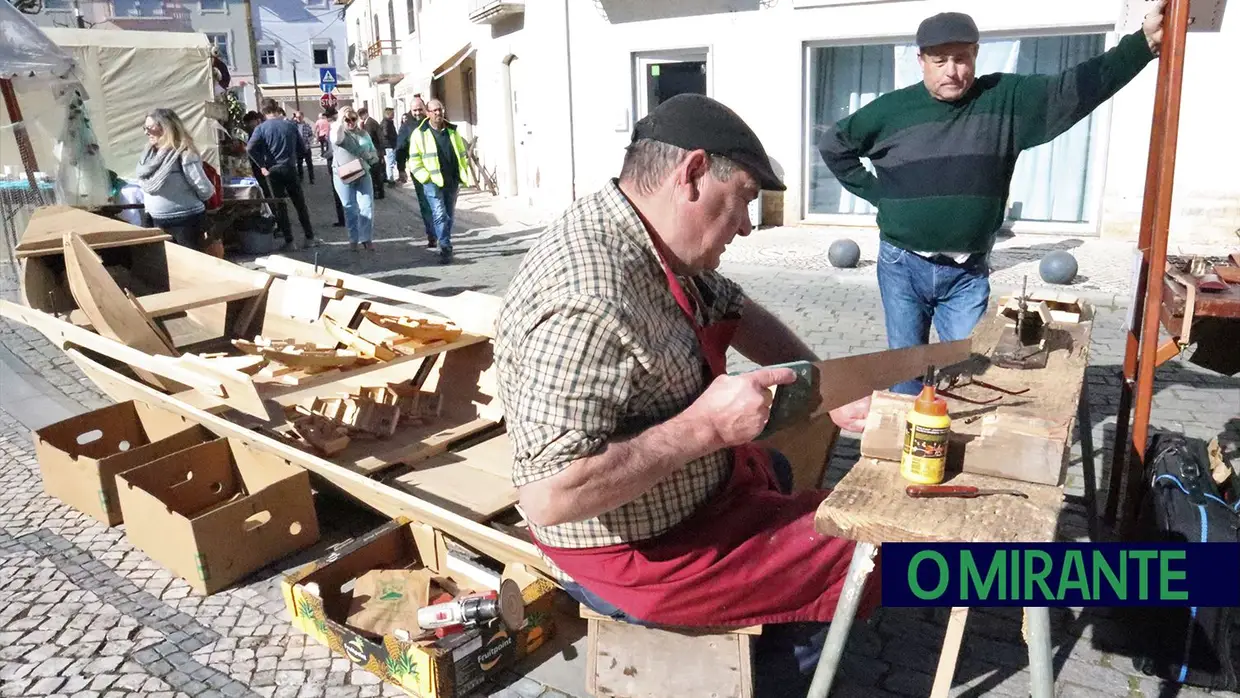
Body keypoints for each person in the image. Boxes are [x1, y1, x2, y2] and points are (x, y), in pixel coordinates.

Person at [492, 94, 878, 697]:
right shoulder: (587, 298)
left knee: (778, 468)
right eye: (745, 200)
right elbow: (547, 495)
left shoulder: (646, 231)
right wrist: (704, 429)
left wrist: (823, 383)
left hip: (694, 492)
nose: (748, 225)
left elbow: (734, 306)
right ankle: (1059, 577)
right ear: (693, 174)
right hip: (638, 551)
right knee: (868, 554)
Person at [818, 4, 1166, 394]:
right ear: (920, 61)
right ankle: (906, 446)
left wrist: (1142, 44)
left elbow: (1075, 89)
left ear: (975, 55)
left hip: (966, 273)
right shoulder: (889, 111)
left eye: (961, 58)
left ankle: (956, 445)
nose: (952, 70)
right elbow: (835, 145)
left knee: (967, 370)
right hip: (903, 264)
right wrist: (880, 195)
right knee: (905, 369)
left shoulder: (1005, 100)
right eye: (940, 60)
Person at [135, 108, 216, 252]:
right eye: (144, 128)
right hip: (156, 222)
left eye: (149, 128)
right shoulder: (148, 155)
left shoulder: (184, 153)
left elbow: (204, 188)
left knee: (190, 267)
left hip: (186, 223)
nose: (146, 132)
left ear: (165, 127)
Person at [408, 99, 472, 263]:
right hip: (432, 181)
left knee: (449, 215)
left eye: (440, 110)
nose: (438, 113)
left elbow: (461, 153)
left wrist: (462, 173)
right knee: (439, 214)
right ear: (428, 113)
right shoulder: (420, 133)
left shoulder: (452, 131)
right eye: (434, 110)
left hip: (451, 181)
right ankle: (445, 246)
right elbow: (414, 161)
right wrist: (425, 177)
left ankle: (444, 240)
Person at [247, 102, 318, 249]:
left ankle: (289, 241)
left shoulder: (261, 128)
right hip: (290, 167)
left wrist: (262, 165)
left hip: (273, 170)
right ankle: (309, 237)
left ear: (264, 112)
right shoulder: (290, 126)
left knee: (280, 205)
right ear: (277, 110)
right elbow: (302, 148)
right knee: (299, 204)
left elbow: (250, 148)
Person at [330, 106, 377, 251]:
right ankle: (353, 239)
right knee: (350, 207)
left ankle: (366, 238)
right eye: (347, 119)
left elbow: (371, 148)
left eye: (353, 119)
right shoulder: (339, 133)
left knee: (367, 206)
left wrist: (373, 157)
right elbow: (336, 138)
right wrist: (340, 118)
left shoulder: (363, 133)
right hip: (343, 175)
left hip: (362, 172)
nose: (350, 122)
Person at [396, 97, 435, 246]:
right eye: (415, 110)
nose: (418, 113)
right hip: (419, 171)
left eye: (420, 109)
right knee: (426, 203)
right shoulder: (407, 127)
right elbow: (400, 148)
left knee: (439, 203)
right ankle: (432, 234)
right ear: (410, 110)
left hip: (437, 169)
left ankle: (440, 232)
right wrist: (401, 170)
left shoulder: (433, 122)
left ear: (425, 108)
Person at [358, 107, 386, 199]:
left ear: (365, 114)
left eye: (361, 116)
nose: (361, 118)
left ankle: (379, 192)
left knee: (376, 173)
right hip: (374, 150)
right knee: (375, 173)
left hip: (375, 151)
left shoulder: (370, 123)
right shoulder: (368, 122)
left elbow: (371, 137)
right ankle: (378, 191)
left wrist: (380, 153)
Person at [291, 110, 315, 184]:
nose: (298, 119)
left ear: (303, 117)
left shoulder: (307, 125)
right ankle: (301, 178)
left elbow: (311, 135)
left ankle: (312, 178)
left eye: (300, 117)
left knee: (309, 164)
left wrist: (309, 141)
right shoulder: (294, 126)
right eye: (297, 117)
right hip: (298, 148)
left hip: (306, 147)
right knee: (299, 164)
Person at [381, 107, 398, 184]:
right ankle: (390, 179)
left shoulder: (388, 122)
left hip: (390, 145)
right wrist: (393, 137)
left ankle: (391, 178)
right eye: (392, 113)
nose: (394, 115)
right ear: (388, 114)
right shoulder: (386, 122)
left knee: (390, 162)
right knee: (390, 163)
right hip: (389, 145)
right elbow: (385, 133)